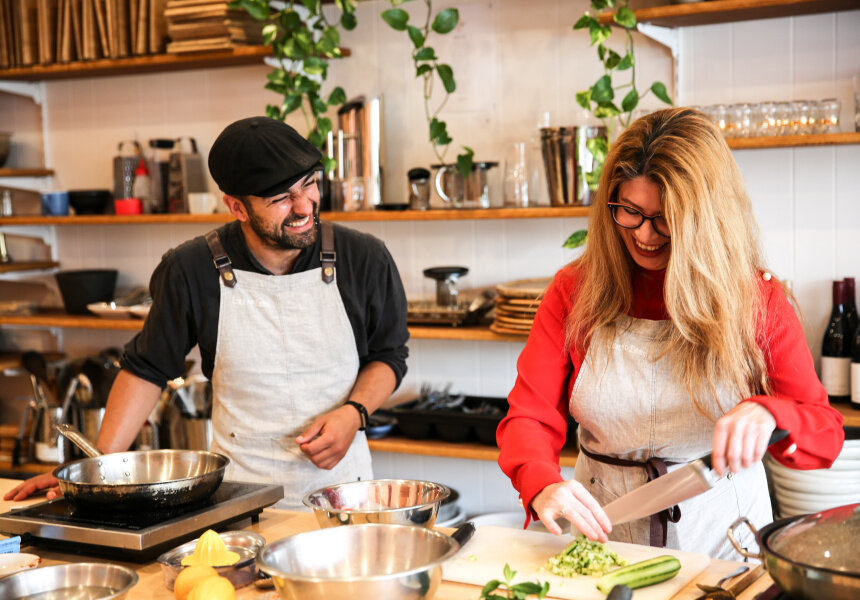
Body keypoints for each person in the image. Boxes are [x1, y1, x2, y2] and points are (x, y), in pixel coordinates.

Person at [6, 117, 410, 509]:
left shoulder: (364, 258)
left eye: (309, 184)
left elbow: (389, 355)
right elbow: (147, 370)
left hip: (347, 496)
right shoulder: (191, 269)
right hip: (239, 499)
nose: (305, 206)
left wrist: (353, 414)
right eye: (282, 199)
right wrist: (90, 471)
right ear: (236, 206)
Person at [496, 107, 844, 560]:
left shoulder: (756, 300)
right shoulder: (573, 292)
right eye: (630, 212)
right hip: (606, 536)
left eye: (664, 219)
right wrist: (540, 483)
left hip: (726, 542)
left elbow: (824, 435)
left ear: (706, 218)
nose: (645, 234)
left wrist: (771, 414)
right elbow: (529, 416)